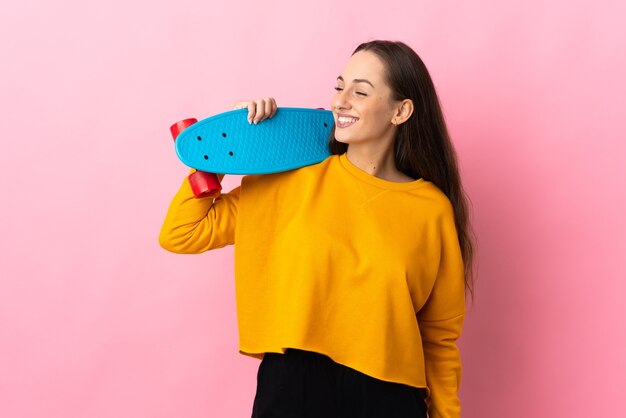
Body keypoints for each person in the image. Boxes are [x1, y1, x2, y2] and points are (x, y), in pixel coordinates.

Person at [159, 40, 475, 418]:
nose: (341, 101)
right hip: (295, 386)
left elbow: (438, 336)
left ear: (401, 111)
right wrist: (226, 147)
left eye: (359, 91)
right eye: (339, 86)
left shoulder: (431, 209)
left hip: (391, 395)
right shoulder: (290, 178)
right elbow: (182, 233)